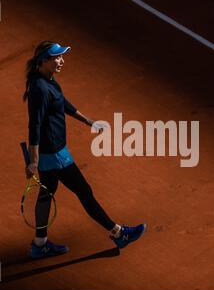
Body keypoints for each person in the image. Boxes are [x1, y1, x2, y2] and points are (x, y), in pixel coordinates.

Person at [23, 41, 146, 259]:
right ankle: (118, 233)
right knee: (84, 192)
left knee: (46, 193)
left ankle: (39, 244)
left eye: (62, 56)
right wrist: (33, 160)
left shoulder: (46, 81)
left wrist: (89, 121)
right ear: (44, 61)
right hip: (55, 154)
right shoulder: (40, 89)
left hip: (50, 153)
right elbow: (35, 125)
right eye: (57, 57)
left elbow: (63, 103)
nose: (62, 61)